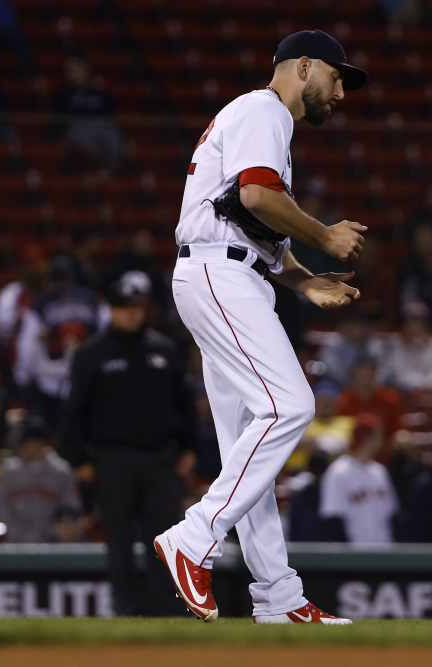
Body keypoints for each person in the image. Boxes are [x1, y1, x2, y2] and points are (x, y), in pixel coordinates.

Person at [154, 30, 367, 625]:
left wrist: (302, 280)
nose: (341, 92)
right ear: (303, 67)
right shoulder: (264, 109)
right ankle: (193, 538)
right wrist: (324, 234)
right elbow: (255, 196)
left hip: (227, 274)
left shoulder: (262, 119)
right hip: (220, 278)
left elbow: (252, 218)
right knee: (291, 405)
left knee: (249, 453)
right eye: (337, 76)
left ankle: (278, 596)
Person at [60, 271, 198, 617]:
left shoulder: (165, 349)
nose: (132, 313)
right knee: (119, 538)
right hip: (113, 458)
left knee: (165, 538)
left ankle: (169, 609)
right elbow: (73, 411)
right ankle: (127, 608)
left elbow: (185, 404)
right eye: (124, 307)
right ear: (111, 308)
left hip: (161, 458)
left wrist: (189, 448)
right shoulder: (91, 354)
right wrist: (79, 460)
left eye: (137, 306)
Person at [14, 256, 107, 427]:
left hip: (51, 381)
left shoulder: (40, 301)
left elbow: (27, 346)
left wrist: (22, 377)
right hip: (89, 377)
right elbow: (108, 335)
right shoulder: (93, 298)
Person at [0, 420, 80, 543]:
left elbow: (71, 507)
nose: (21, 447)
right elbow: (1, 507)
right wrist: (16, 531)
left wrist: (52, 532)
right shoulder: (9, 471)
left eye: (26, 443)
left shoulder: (62, 471)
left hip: (53, 542)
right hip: (15, 540)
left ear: (38, 443)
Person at [319, 413, 398, 544]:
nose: (381, 441)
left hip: (384, 551)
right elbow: (333, 518)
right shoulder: (338, 472)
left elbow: (391, 515)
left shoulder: (380, 472)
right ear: (366, 438)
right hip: (355, 554)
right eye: (377, 436)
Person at [50, 57, 123, 168]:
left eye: (75, 68)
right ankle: (105, 166)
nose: (72, 72)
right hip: (76, 125)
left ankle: (111, 170)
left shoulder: (97, 90)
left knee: (111, 132)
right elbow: (59, 112)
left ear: (85, 68)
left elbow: (111, 108)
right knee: (90, 136)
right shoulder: (64, 92)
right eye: (69, 69)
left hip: (100, 124)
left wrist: (98, 90)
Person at [378, 302, 432, 391]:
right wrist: (418, 383)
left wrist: (430, 382)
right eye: (411, 321)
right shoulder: (396, 342)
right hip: (404, 392)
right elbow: (398, 373)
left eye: (418, 321)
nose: (414, 325)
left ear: (425, 323)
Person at [317, 315, 385, 386]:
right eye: (352, 326)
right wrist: (351, 381)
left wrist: (372, 380)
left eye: (359, 326)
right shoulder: (333, 342)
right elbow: (330, 368)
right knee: (325, 391)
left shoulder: (374, 344)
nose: (355, 329)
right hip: (337, 383)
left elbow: (383, 368)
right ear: (345, 327)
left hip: (371, 384)